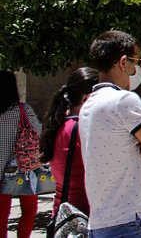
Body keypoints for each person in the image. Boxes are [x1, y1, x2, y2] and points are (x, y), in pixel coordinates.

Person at [79, 30, 141, 238]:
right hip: (130, 221)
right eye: (137, 61)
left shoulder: (88, 104)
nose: (138, 67)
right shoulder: (125, 100)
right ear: (123, 63)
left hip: (100, 222)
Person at [40, 67, 99, 220]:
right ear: (88, 97)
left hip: (63, 215)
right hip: (83, 217)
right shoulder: (83, 128)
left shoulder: (58, 125)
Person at [1, 70, 42, 238]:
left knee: (1, 216)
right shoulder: (23, 110)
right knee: (30, 208)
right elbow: (38, 130)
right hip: (23, 167)